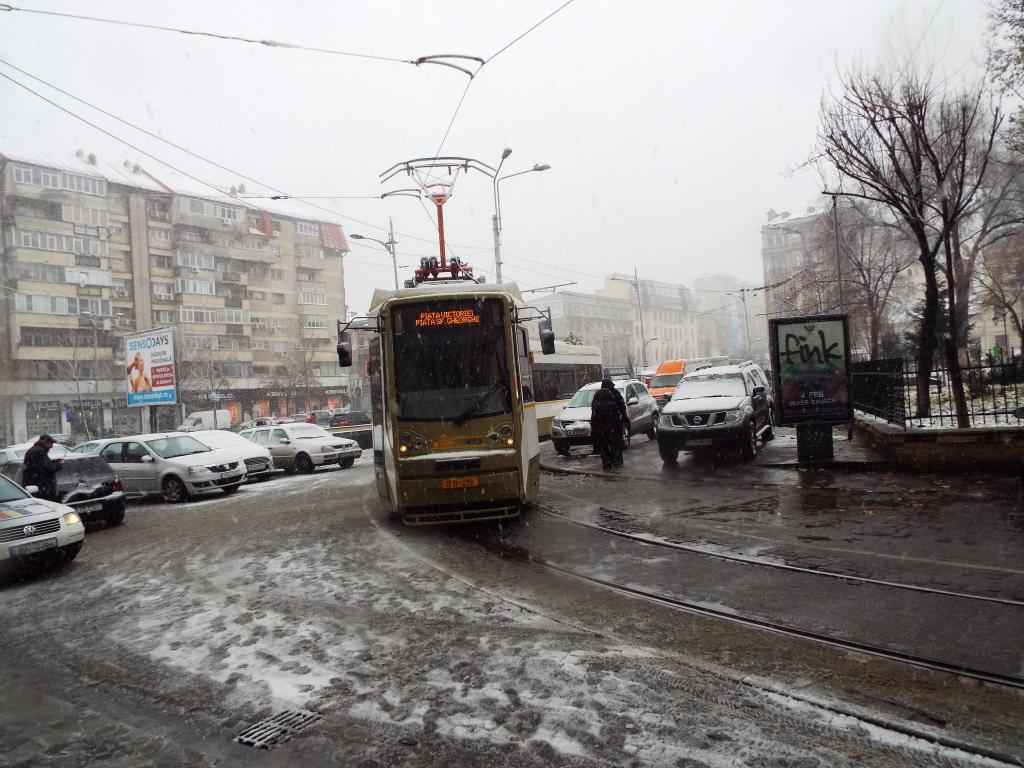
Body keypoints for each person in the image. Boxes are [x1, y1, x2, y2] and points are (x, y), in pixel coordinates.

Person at [591, 380, 627, 469]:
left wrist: (595, 429)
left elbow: (594, 415)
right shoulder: (615, 397)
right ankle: (617, 462)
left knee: (604, 447)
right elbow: (621, 407)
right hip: (613, 427)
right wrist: (622, 419)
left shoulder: (598, 397)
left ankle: (607, 463)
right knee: (616, 445)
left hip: (602, 428)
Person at [22, 434, 65, 502]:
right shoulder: (39, 451)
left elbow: (41, 464)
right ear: (45, 443)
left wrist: (54, 461)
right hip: (42, 488)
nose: (52, 446)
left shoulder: (35, 450)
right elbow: (48, 469)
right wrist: (59, 465)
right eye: (51, 443)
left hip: (37, 487)